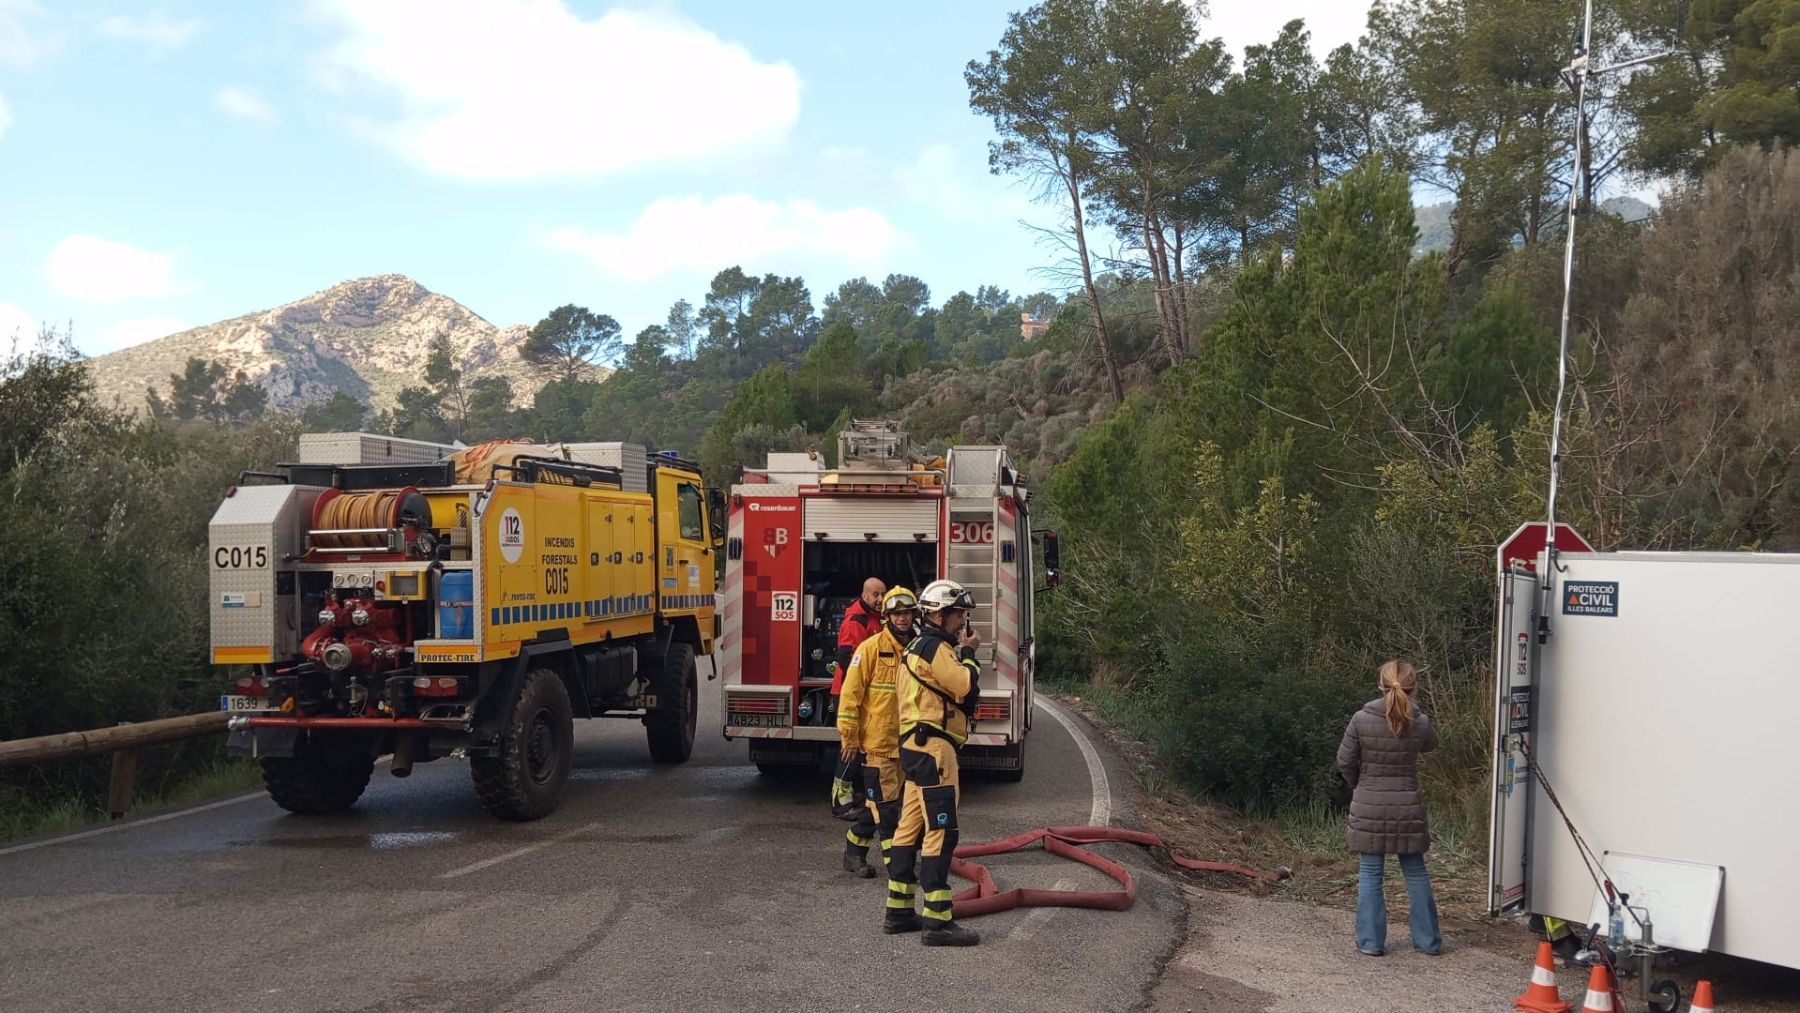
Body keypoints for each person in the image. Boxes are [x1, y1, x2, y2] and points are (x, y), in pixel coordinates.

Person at [884, 579, 982, 946]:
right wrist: (970, 653)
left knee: (908, 830)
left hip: (914, 748)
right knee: (942, 830)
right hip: (935, 749)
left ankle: (898, 911)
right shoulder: (937, 648)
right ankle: (938, 923)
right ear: (939, 615)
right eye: (959, 614)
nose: (963, 622)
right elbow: (963, 687)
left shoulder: (913, 647)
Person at [1336, 659, 1442, 957]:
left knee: (1371, 872)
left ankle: (1370, 942)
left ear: (1380, 685)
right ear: (1413, 686)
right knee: (1416, 872)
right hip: (1407, 804)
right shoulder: (1420, 721)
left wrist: (1361, 783)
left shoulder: (1360, 718)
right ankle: (1428, 942)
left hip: (1369, 802)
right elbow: (1430, 745)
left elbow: (1345, 761)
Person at [835, 586, 918, 878]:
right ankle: (897, 865)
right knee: (888, 809)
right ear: (887, 617)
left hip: (907, 744)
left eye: (907, 613)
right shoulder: (869, 649)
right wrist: (849, 737)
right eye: (898, 613)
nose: (904, 619)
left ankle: (853, 852)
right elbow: (850, 695)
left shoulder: (915, 650)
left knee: (880, 805)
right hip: (878, 746)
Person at [830, 578, 886, 696]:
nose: (881, 599)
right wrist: (862, 682)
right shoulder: (856, 621)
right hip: (848, 690)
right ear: (864, 596)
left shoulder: (874, 617)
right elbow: (846, 658)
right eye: (876, 595)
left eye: (883, 594)